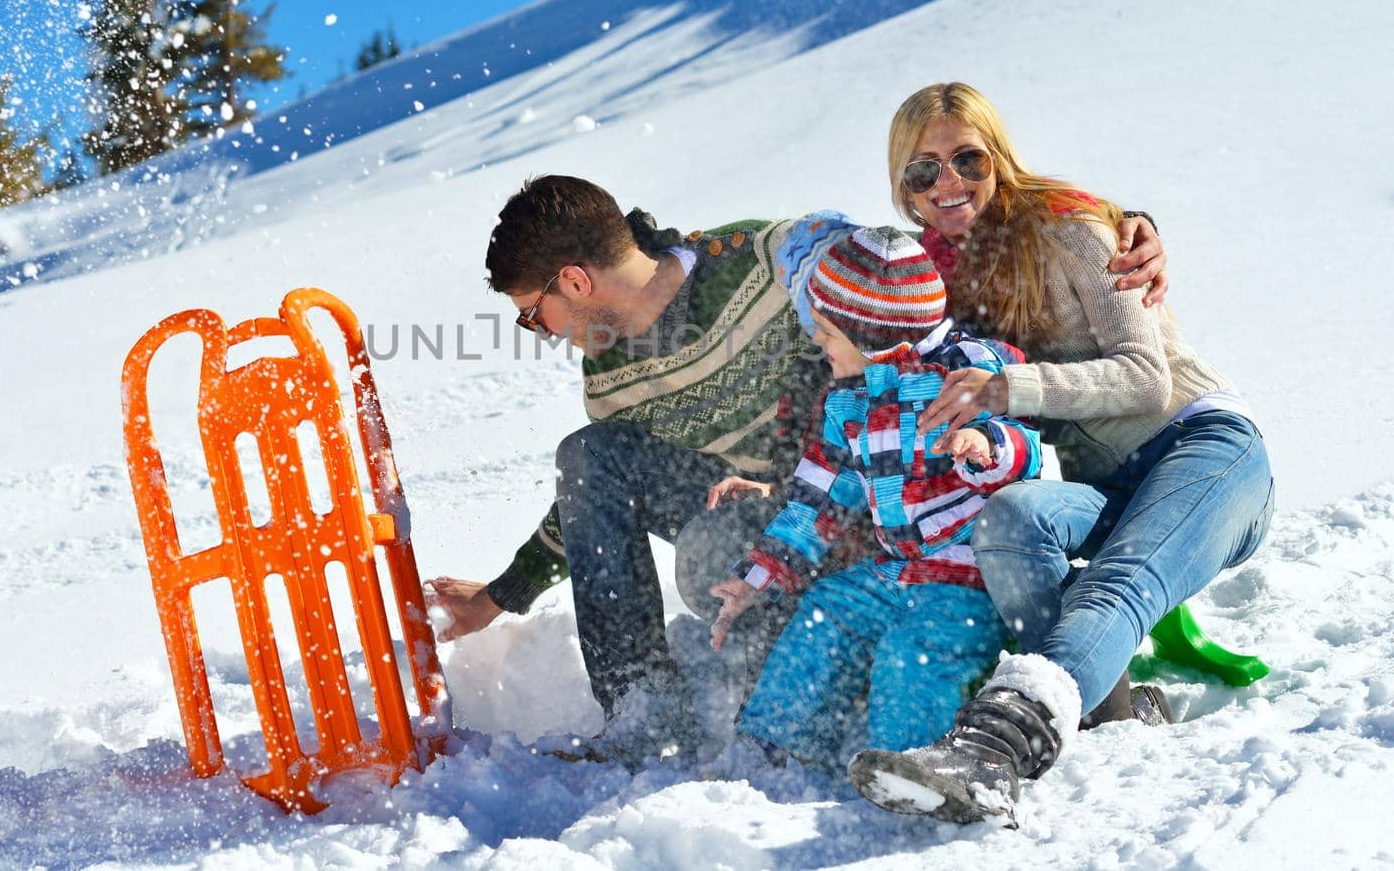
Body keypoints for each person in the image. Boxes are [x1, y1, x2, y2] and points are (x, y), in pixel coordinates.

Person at [424, 175, 1167, 767]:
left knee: (728, 549)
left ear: (574, 282)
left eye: (533, 312)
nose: (541, 332)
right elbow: (589, 500)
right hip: (800, 512)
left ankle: (850, 707)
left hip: (907, 497)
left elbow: (924, 250)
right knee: (598, 463)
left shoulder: (770, 257)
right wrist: (504, 594)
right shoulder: (611, 378)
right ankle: (647, 713)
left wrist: (1109, 228)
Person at [849, 83, 1273, 823]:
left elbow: (1146, 380)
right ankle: (1116, 721)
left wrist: (1004, 388)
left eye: (966, 159)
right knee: (1012, 520)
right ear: (903, 190)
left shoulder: (1069, 228)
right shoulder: (932, 279)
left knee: (1121, 579)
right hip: (1107, 484)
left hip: (1204, 446)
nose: (948, 183)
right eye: (924, 171)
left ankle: (992, 750)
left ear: (998, 158)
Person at [705, 219, 1041, 774]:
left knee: (912, 656)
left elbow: (1027, 445)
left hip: (972, 579)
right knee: (824, 612)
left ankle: (913, 767)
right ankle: (771, 748)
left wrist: (985, 442)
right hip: (895, 572)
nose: (817, 339)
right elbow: (814, 506)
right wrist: (755, 579)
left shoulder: (967, 373)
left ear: (870, 335)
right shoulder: (851, 408)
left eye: (827, 330)